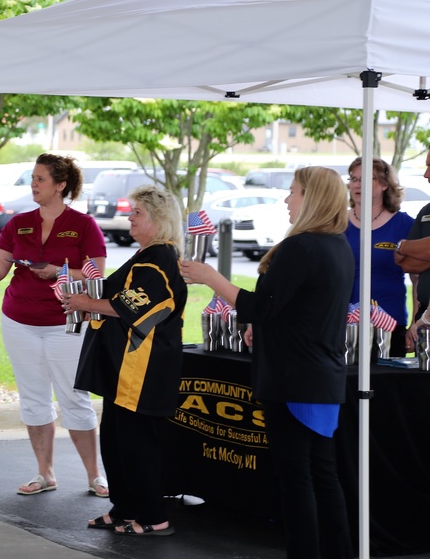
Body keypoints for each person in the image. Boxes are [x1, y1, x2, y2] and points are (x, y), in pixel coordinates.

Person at [181, 167, 353, 559]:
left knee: (297, 479)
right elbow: (303, 310)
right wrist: (266, 329)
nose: (286, 200)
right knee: (322, 475)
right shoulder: (338, 245)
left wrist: (211, 277)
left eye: (293, 192)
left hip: (294, 379)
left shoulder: (302, 246)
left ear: (311, 197)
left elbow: (260, 306)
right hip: (321, 376)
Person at [0, 153, 109, 499]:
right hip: (19, 321)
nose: (33, 184)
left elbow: (97, 274)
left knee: (73, 397)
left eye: (40, 179)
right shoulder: (17, 222)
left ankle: (95, 476)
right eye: (33, 179)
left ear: (60, 185)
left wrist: (57, 271)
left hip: (65, 322)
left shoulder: (84, 225)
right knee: (34, 399)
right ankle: (45, 473)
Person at [68, 184, 186, 537]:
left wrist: (86, 305)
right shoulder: (146, 255)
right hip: (123, 370)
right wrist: (82, 292)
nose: (130, 219)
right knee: (117, 440)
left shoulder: (161, 258)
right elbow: (115, 292)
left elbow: (132, 306)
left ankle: (153, 515)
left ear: (158, 219)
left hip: (143, 369)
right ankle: (125, 507)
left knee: (137, 444)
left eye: (138, 213)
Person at [344, 157, 414, 357]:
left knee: (386, 386)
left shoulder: (404, 225)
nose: (357, 185)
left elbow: (418, 279)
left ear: (384, 184)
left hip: (391, 326)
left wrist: (416, 323)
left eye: (365, 179)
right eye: (353, 179)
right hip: (344, 326)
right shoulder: (336, 223)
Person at [394, 148, 430, 351]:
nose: (426, 174)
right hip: (424, 314)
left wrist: (404, 246)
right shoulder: (426, 211)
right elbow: (408, 264)